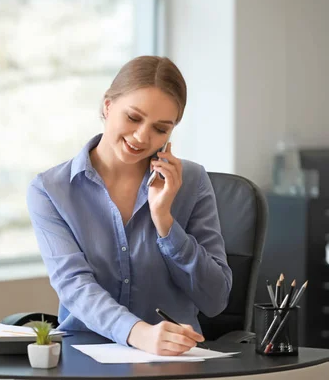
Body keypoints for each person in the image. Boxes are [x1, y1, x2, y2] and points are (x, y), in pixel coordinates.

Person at [26, 56, 232, 356]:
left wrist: (165, 223)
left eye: (161, 129)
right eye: (133, 118)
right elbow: (75, 287)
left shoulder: (192, 181)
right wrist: (139, 334)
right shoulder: (51, 190)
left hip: (173, 361)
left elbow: (215, 300)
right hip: (85, 357)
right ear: (107, 106)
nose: (142, 137)